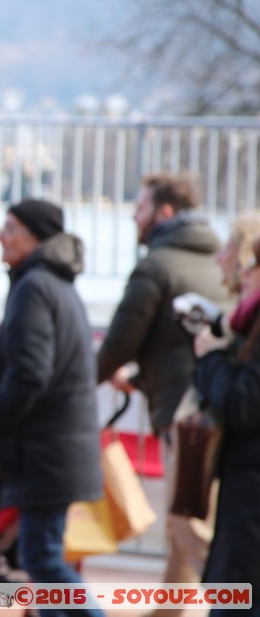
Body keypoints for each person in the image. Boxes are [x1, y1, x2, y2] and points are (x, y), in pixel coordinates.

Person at [96, 173, 228, 594]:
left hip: (184, 415)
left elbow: (120, 343)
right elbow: (179, 345)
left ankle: (237, 600)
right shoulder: (216, 260)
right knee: (188, 521)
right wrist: (137, 377)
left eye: (140, 207)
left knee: (190, 527)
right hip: (215, 406)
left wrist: (78, 383)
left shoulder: (155, 265)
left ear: (164, 212)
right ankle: (169, 609)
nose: (135, 216)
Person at [0, 199, 103, 617]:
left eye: (10, 227)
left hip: (47, 450)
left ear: (34, 237)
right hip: (55, 448)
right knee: (43, 559)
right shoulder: (52, 282)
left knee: (44, 560)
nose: (0, 235)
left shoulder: (35, 286)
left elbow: (30, 373)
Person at [179, 234, 260, 615]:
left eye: (252, 264)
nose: (244, 273)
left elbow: (243, 404)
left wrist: (211, 357)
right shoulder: (245, 320)